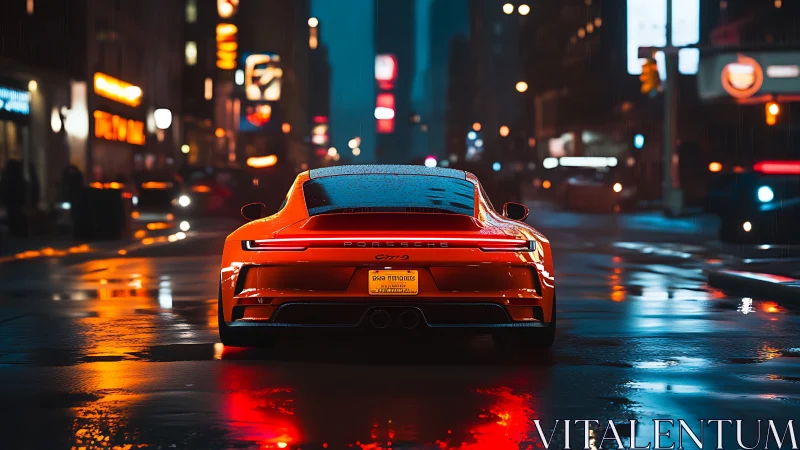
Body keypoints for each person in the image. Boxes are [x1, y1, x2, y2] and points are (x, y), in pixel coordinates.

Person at [0, 159, 29, 237]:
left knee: (12, 219)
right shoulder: (20, 179)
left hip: (12, 205)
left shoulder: (7, 179)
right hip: (16, 205)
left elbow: (4, 191)